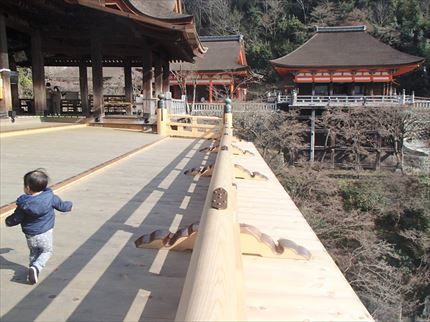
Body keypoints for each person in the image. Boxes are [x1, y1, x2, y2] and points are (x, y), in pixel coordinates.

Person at [5, 169, 73, 284]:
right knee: (47, 251)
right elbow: (62, 206)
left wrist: (9, 221)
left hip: (30, 235)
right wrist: (69, 205)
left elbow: (17, 218)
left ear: (27, 188)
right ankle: (36, 267)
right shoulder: (50, 197)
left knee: (34, 252)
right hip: (45, 233)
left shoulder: (24, 204)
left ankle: (32, 269)